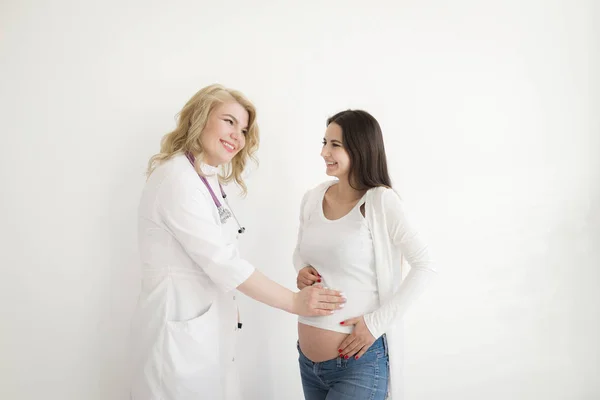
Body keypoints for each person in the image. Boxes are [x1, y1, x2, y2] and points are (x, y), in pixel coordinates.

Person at [130, 84, 346, 400]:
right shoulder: (177, 180)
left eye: (243, 129)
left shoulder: (205, 179)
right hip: (177, 338)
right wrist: (293, 301)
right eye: (229, 121)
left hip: (205, 333)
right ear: (199, 118)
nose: (237, 136)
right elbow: (223, 263)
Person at [293, 110, 437, 400]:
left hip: (358, 365)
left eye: (335, 144)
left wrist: (376, 324)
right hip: (308, 365)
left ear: (360, 148)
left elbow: (426, 266)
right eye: (324, 142)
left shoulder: (381, 201)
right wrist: (302, 269)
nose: (324, 152)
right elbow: (300, 252)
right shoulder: (312, 198)